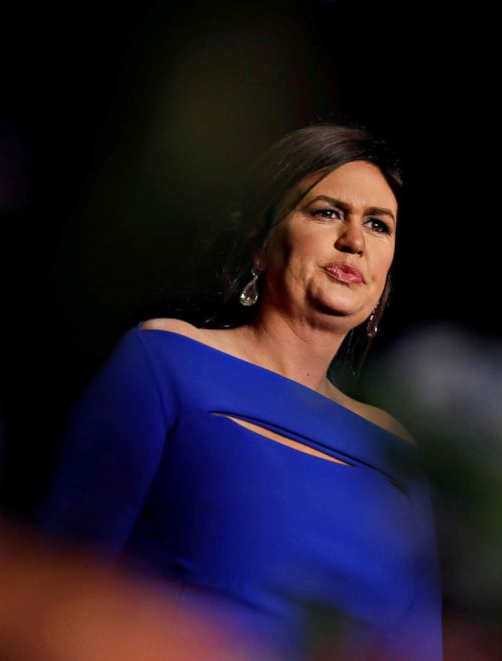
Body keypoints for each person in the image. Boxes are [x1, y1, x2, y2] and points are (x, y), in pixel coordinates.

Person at [35, 122, 443, 660]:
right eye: (327, 212)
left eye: (378, 224)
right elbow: (60, 584)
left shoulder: (396, 452)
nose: (355, 240)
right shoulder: (167, 362)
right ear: (260, 243)